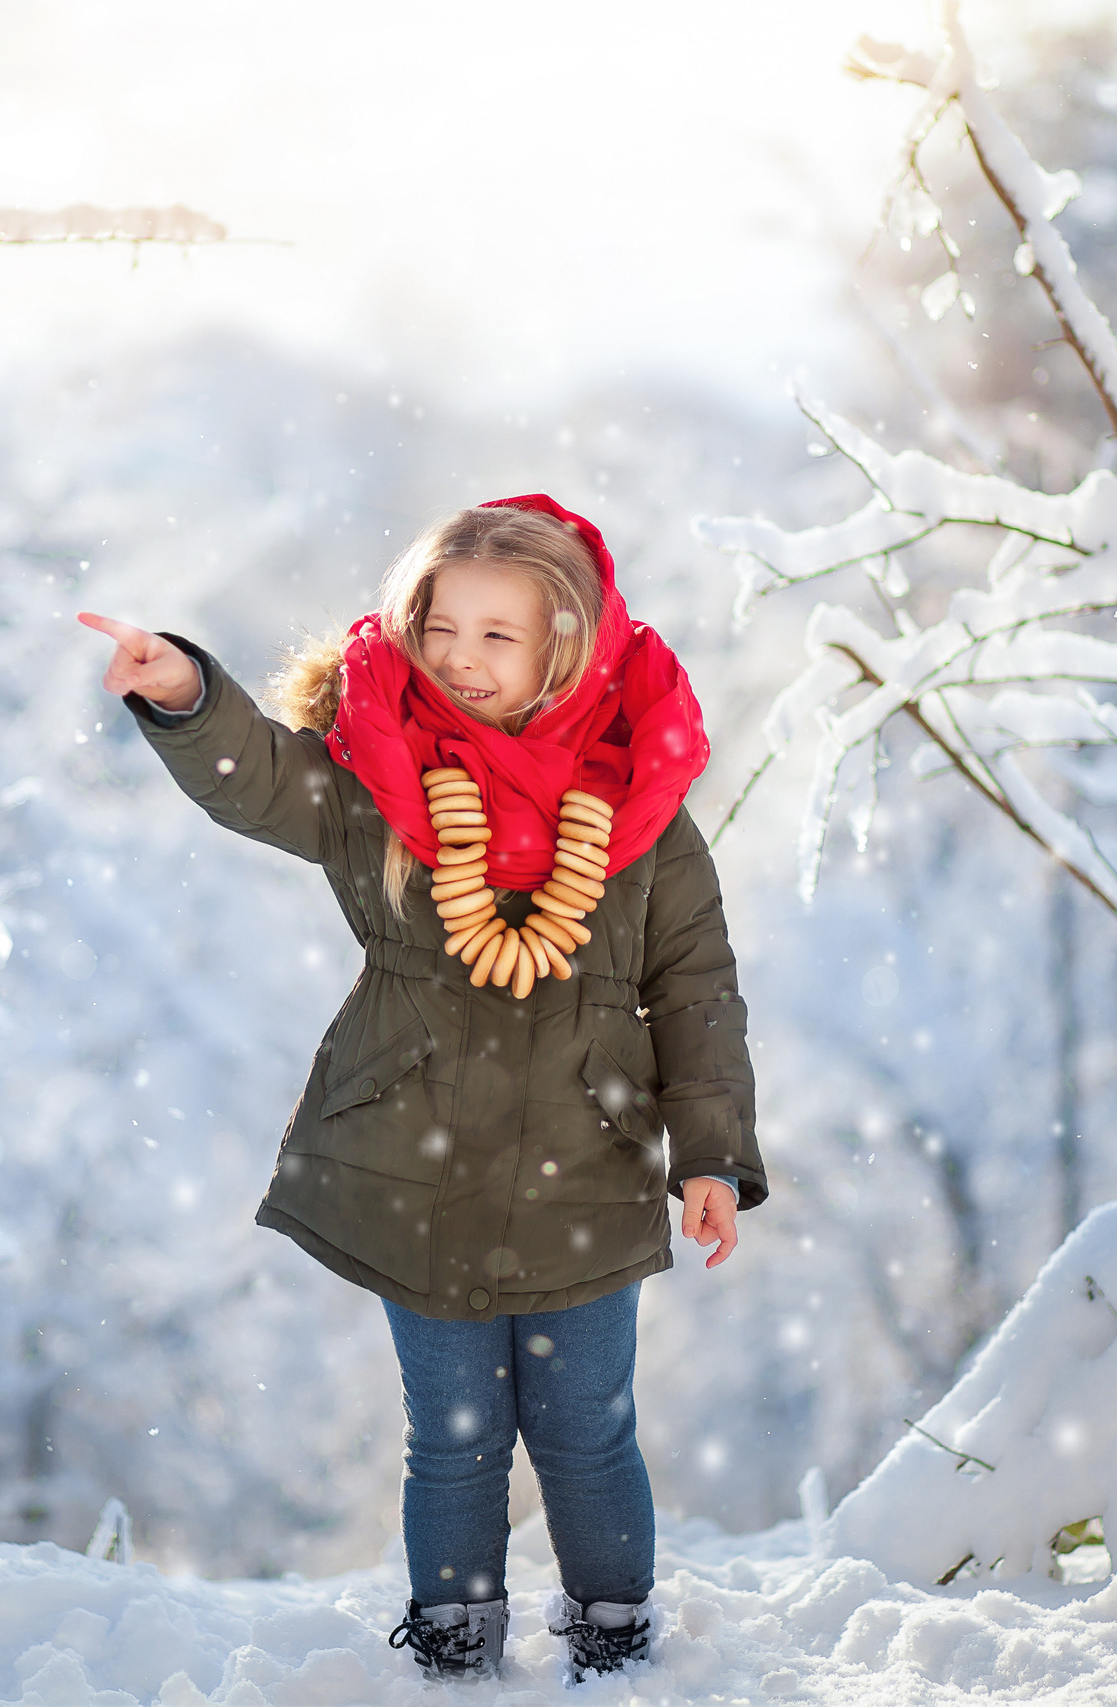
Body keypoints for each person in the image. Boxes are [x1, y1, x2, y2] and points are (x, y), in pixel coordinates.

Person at [77, 495, 764, 1684]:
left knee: (586, 1432)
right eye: (441, 628)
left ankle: (616, 1638)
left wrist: (709, 1155)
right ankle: (451, 1645)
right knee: (451, 1442)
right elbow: (258, 784)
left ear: (567, 643)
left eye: (498, 635)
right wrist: (185, 693)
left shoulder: (639, 809)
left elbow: (693, 989)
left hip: (588, 1165)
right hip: (416, 1159)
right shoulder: (379, 777)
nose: (460, 657)